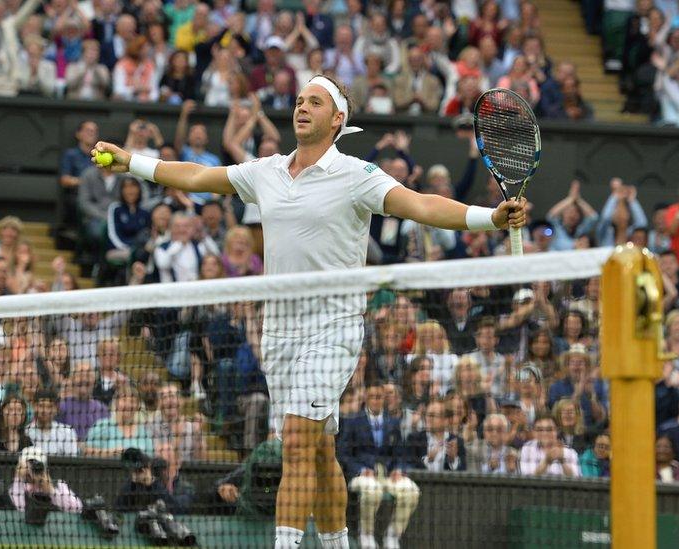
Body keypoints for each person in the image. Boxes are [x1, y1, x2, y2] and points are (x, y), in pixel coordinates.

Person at [91, 73, 527, 549]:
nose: (302, 107)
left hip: (333, 328)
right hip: (279, 332)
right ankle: (339, 543)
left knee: (295, 441)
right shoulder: (267, 172)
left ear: (337, 119)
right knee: (318, 450)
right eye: (299, 100)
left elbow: (420, 204)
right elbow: (197, 176)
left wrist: (488, 218)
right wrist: (131, 162)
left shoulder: (358, 176)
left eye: (314, 102)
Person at [337, 383, 419, 549]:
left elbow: (400, 454)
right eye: (372, 397)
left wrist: (398, 469)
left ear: (384, 399)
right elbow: (343, 454)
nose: (376, 400)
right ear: (366, 399)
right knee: (372, 491)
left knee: (412, 491)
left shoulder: (393, 422)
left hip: (388, 475)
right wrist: (361, 469)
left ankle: (392, 536)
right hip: (361, 475)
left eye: (379, 397)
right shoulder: (353, 421)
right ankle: (365, 534)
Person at [9, 446, 82, 513]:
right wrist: (18, 478)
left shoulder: (58, 485)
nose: (33, 468)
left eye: (37, 464)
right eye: (29, 463)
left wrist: (51, 491)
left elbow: (78, 508)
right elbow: (20, 508)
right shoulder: (18, 488)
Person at [406, 400, 467, 472]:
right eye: (427, 415)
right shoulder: (414, 439)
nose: (429, 419)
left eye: (433, 415)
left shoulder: (457, 441)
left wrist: (453, 460)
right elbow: (409, 467)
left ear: (445, 420)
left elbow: (463, 470)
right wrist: (427, 460)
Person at [26, 389, 79, 456]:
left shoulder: (68, 432)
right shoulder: (26, 433)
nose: (45, 410)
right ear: (34, 406)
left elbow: (72, 463)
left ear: (56, 409)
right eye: (41, 406)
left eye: (50, 407)